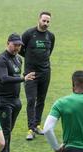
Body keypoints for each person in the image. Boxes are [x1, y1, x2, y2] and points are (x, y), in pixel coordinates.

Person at [0, 33, 35, 152]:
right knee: (5, 131)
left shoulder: (18, 59)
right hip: (3, 101)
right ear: (8, 43)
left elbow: (16, 76)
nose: (17, 48)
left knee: (8, 131)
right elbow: (4, 78)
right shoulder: (1, 60)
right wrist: (24, 79)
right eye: (15, 44)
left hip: (15, 101)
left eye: (19, 45)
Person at [19, 11, 55, 140]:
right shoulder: (28, 34)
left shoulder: (50, 36)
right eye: (44, 21)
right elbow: (21, 50)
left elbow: (49, 52)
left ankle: (38, 125)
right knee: (31, 100)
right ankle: (30, 129)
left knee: (41, 100)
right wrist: (30, 59)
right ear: (39, 20)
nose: (45, 23)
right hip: (30, 73)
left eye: (48, 21)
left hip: (45, 72)